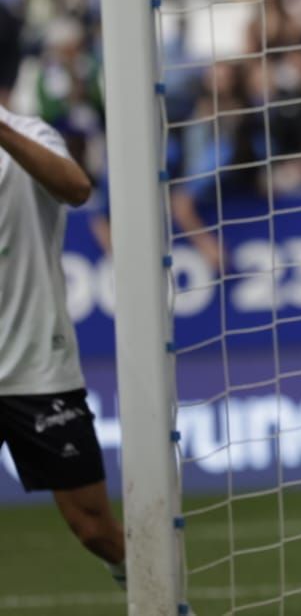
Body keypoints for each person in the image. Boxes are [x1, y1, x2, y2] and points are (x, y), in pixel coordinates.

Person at [0, 104, 126, 588]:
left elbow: (76, 189)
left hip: (36, 369)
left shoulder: (29, 134)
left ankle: (167, 603)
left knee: (93, 528)